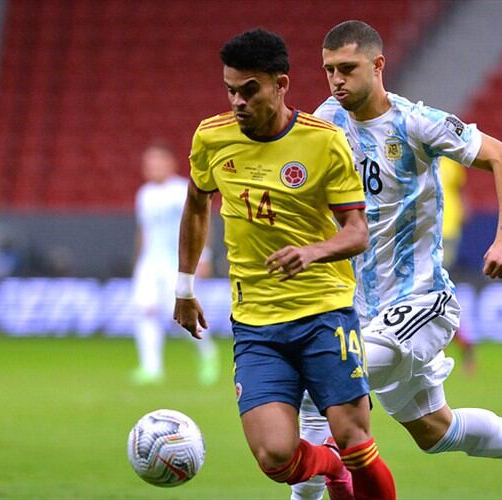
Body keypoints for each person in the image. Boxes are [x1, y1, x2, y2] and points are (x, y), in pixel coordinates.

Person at [292, 20, 502, 500]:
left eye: (348, 69)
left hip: (421, 301)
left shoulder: (415, 122)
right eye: (329, 69)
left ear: (378, 66)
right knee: (436, 432)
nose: (336, 80)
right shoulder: (327, 119)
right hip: (363, 309)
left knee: (325, 378)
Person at [173, 29, 395, 499]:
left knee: (358, 443)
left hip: (324, 314)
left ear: (281, 84)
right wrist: (184, 287)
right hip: (256, 324)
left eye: (249, 90)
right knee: (275, 458)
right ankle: (330, 468)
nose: (237, 101)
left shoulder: (324, 142)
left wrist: (311, 252)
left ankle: (344, 462)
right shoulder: (211, 138)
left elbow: (357, 231)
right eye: (230, 89)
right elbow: (196, 204)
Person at [130, 142, 219, 386]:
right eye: (149, 163)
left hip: (178, 262)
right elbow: (144, 231)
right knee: (145, 311)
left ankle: (207, 355)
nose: (153, 167)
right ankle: (151, 367)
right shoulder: (145, 194)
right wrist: (139, 262)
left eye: (158, 162)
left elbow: (201, 221)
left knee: (181, 315)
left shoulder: (182, 189)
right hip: (151, 262)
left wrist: (205, 256)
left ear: (171, 164)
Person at [439, 156, 476, 373]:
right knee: (435, 293)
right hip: (423, 231)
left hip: (447, 231)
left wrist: (463, 208)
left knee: (434, 291)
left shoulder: (450, 159)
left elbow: (460, 190)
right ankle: (462, 345)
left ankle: (462, 344)